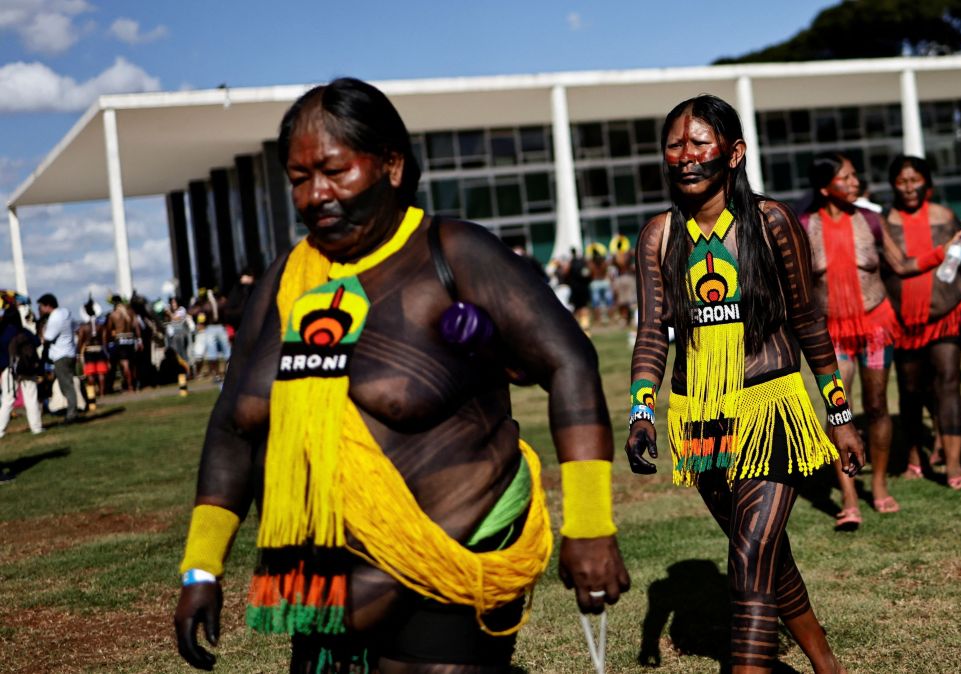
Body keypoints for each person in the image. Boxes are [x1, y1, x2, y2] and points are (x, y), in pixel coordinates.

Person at [173, 77, 629, 673]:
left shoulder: (452, 253)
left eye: (335, 171)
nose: (316, 195)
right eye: (299, 178)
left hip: (449, 552)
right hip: (322, 578)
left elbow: (569, 360)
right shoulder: (283, 282)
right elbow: (234, 428)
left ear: (390, 165)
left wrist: (591, 524)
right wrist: (201, 566)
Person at [625, 94, 865, 673]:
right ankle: (828, 665)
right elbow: (653, 332)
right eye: (675, 144)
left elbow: (809, 322)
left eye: (698, 143)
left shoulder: (772, 221)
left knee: (749, 553)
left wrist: (839, 416)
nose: (684, 156)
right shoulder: (659, 236)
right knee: (764, 556)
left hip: (769, 409)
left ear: (733, 153)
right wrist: (640, 411)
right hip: (701, 421)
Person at [801, 152, 961, 529]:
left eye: (856, 176)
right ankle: (849, 496)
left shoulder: (871, 220)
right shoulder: (804, 226)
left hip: (876, 326)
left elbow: (903, 265)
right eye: (847, 177)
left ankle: (878, 484)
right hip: (832, 334)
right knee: (839, 411)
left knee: (876, 406)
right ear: (826, 187)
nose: (856, 182)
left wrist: (944, 251)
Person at [883, 156, 961, 493]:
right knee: (910, 390)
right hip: (902, 322)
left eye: (915, 180)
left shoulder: (946, 218)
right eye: (902, 181)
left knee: (948, 384)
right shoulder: (883, 222)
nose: (909, 187)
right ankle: (915, 457)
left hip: (946, 315)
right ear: (893, 184)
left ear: (927, 182)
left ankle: (954, 464)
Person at [0, 305, 43, 439]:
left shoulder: (2, 333)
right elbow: (37, 342)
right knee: (31, 398)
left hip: (9, 370)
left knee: (7, 400)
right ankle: (36, 427)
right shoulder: (24, 331)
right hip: (27, 369)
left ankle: (0, 429)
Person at [38, 293, 78, 424]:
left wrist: (42, 331)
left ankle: (72, 414)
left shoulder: (55, 317)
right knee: (67, 384)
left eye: (42, 307)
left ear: (48, 306)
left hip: (61, 355)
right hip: (70, 352)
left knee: (66, 386)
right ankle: (71, 411)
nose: (41, 310)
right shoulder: (66, 313)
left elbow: (48, 338)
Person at [105, 295, 141, 392]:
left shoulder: (113, 314)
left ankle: (130, 386)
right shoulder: (130, 312)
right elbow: (136, 326)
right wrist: (139, 340)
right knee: (133, 364)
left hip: (120, 339)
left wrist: (108, 342)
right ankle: (136, 384)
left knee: (125, 364)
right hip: (130, 338)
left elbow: (108, 330)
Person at [76, 299, 109, 398]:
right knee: (101, 372)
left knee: (90, 374)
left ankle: (92, 394)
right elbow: (104, 341)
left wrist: (78, 353)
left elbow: (80, 341)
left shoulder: (83, 327)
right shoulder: (100, 326)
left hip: (89, 351)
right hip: (99, 349)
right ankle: (102, 393)